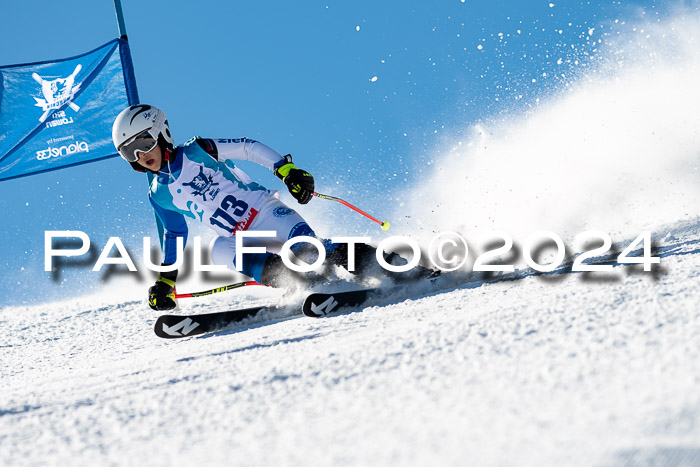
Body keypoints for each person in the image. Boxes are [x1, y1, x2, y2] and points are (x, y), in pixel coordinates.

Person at [112, 104, 434, 311]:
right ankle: (298, 283)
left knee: (312, 254)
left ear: (161, 133)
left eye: (143, 144)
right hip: (238, 236)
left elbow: (247, 148)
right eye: (130, 153)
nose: (141, 156)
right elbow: (174, 235)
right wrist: (166, 281)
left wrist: (285, 169)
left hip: (264, 211)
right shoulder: (159, 195)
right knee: (218, 250)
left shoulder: (198, 150)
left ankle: (402, 268)